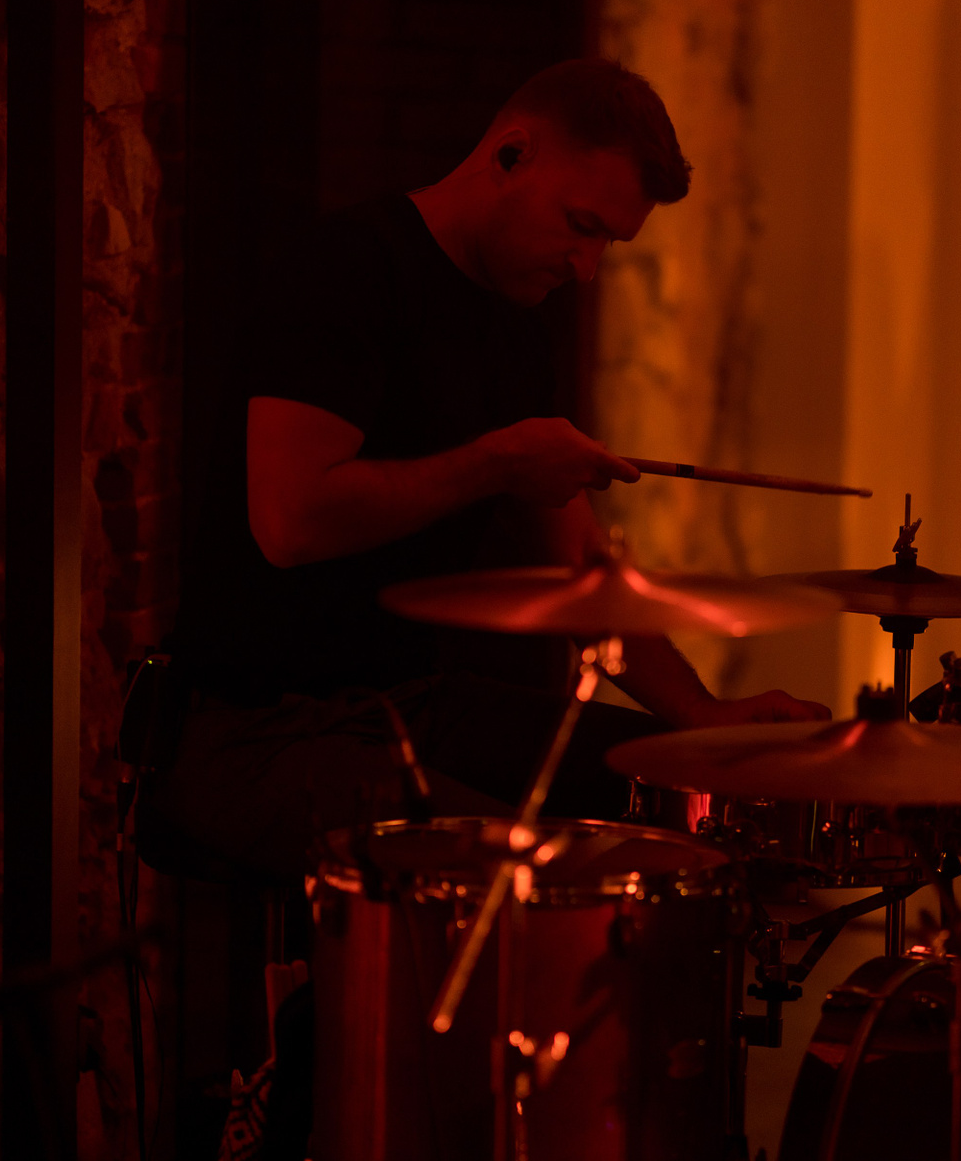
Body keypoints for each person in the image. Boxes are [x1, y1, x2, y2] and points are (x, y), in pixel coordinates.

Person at [154, 58, 830, 886]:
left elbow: (581, 570)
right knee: (528, 880)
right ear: (512, 154)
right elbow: (289, 522)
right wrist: (497, 462)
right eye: (580, 225)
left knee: (684, 799)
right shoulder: (347, 270)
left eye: (608, 243)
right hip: (258, 731)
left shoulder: (516, 326)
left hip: (412, 703)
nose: (586, 267)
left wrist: (700, 716)